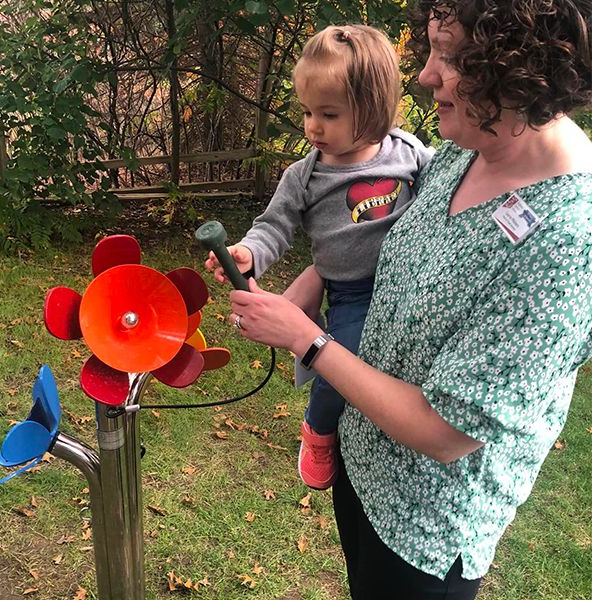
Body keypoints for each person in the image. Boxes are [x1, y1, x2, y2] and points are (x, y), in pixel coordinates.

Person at [225, 1, 592, 598]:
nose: (423, 76)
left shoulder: (568, 240)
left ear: (518, 70)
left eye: (449, 57)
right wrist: (314, 281)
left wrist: (305, 339)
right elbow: (374, 243)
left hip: (426, 532)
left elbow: (447, 431)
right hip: (365, 465)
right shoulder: (460, 153)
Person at [205, 24, 433, 490]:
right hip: (352, 293)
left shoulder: (409, 154)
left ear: (370, 108)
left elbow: (442, 201)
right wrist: (250, 252)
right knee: (341, 362)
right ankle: (319, 429)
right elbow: (274, 226)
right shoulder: (304, 176)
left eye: (328, 114)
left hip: (410, 283)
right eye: (308, 112)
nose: (312, 127)